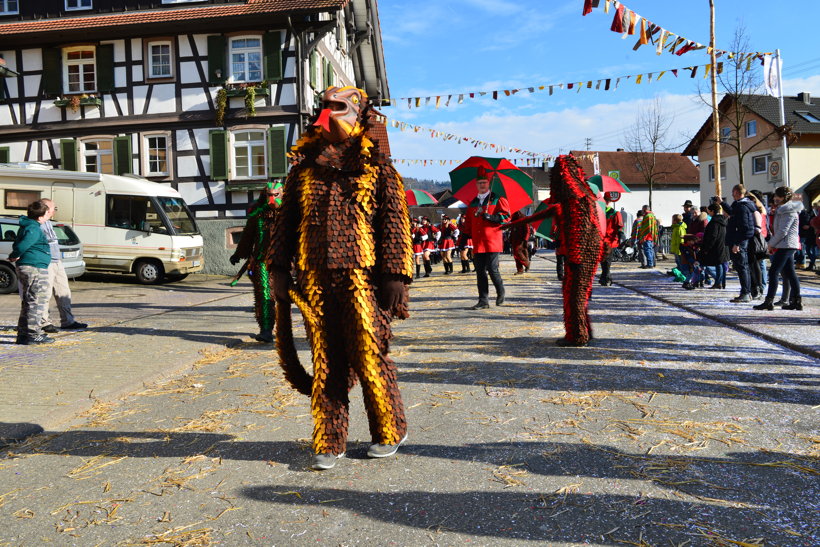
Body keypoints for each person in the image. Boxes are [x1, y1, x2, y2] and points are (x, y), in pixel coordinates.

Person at [269, 85, 413, 470]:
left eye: (339, 106)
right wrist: (278, 270)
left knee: (368, 353)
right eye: (325, 106)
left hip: (361, 278)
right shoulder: (303, 168)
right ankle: (330, 439)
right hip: (313, 277)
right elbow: (285, 222)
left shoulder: (377, 167)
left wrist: (396, 275)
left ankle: (388, 429)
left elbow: (393, 221)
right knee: (326, 360)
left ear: (358, 114)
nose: (329, 113)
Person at [229, 181, 283, 343]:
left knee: (284, 297)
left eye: (276, 195)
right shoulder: (258, 215)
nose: (272, 199)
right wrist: (239, 254)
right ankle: (266, 329)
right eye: (269, 195)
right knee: (264, 293)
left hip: (284, 263)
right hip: (261, 262)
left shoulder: (289, 214)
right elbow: (248, 236)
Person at [36, 199, 88, 333]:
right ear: (46, 209)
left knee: (64, 292)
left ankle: (67, 321)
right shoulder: (38, 224)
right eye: (54, 208)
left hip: (57, 262)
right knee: (45, 294)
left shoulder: (49, 223)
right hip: (46, 263)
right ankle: (43, 322)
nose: (55, 210)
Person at [462, 168, 509, 309]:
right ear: (476, 185)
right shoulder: (473, 203)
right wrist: (464, 238)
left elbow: (507, 217)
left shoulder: (497, 198)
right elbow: (469, 223)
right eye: (479, 183)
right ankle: (483, 300)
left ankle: (501, 291)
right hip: (478, 242)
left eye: (484, 182)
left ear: (488, 183)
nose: (482, 185)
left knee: (492, 269)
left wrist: (493, 217)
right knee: (480, 271)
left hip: (492, 241)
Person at [9, 200, 54, 345]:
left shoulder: (29, 225)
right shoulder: (33, 228)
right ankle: (34, 334)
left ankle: (23, 335)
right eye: (48, 213)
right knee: (36, 301)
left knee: (29, 301)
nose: (49, 215)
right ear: (41, 216)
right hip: (34, 267)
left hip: (31, 266)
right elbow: (24, 243)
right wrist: (15, 254)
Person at [754, 186, 804, 311]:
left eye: (778, 196)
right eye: (776, 196)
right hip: (784, 244)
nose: (775, 198)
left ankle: (769, 301)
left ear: (784, 197)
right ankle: (797, 300)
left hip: (787, 245)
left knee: (774, 271)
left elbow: (782, 231)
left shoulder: (788, 211)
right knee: (790, 273)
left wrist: (770, 244)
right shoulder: (782, 210)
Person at [720, 185, 756, 303]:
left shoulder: (742, 207)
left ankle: (746, 292)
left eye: (732, 192)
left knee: (742, 267)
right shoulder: (739, 205)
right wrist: (722, 203)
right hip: (737, 240)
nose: (731, 194)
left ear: (736, 192)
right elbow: (733, 213)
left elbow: (745, 228)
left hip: (739, 241)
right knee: (741, 267)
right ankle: (746, 292)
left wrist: (737, 243)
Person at [700, 202, 729, 290]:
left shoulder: (714, 222)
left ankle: (718, 283)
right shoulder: (723, 220)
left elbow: (713, 236)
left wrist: (707, 247)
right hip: (723, 245)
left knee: (718, 264)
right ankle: (720, 282)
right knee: (720, 264)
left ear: (712, 211)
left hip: (716, 246)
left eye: (709, 211)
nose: (708, 213)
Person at [599, 192, 623, 286]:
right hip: (607, 240)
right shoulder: (614, 213)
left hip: (606, 240)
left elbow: (619, 227)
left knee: (605, 260)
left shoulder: (602, 212)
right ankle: (605, 278)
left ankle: (606, 278)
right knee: (605, 260)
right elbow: (620, 226)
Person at [669, 213, 688, 280]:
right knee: (678, 262)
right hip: (676, 249)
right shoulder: (676, 227)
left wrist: (681, 248)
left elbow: (682, 239)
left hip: (679, 249)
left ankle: (683, 276)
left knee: (681, 264)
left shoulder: (680, 228)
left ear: (675, 220)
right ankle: (680, 275)